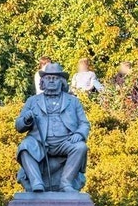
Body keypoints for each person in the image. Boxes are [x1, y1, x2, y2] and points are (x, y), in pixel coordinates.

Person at [14, 63, 91, 192]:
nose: (51, 81)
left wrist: (79, 134)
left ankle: (66, 183)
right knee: (24, 146)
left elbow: (84, 123)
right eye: (48, 78)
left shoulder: (73, 101)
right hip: (39, 142)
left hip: (65, 142)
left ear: (62, 82)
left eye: (55, 78)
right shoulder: (32, 101)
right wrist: (26, 120)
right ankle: (36, 183)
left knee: (80, 147)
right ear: (42, 82)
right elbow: (19, 126)